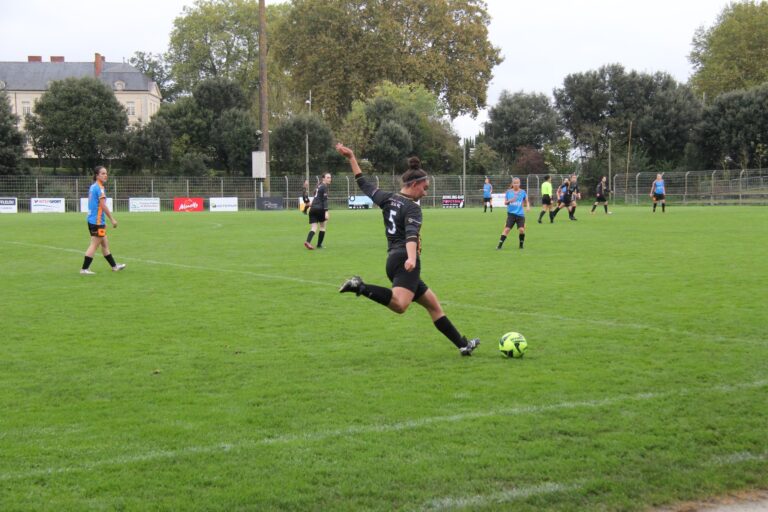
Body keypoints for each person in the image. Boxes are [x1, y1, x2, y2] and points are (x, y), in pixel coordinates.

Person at [335, 143, 480, 356]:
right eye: (425, 187)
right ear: (414, 184)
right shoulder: (412, 207)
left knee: (433, 305)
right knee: (400, 305)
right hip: (405, 261)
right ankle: (360, 286)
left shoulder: (387, 198)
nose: (426, 191)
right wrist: (412, 258)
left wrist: (352, 157)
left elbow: (363, 183)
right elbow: (411, 235)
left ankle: (462, 345)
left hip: (393, 260)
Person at [80, 166, 126, 275]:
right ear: (97, 175)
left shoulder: (93, 186)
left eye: (106, 173)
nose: (105, 175)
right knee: (94, 245)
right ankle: (84, 269)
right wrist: (112, 219)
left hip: (93, 220)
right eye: (103, 173)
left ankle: (114, 266)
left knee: (105, 244)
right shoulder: (99, 188)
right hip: (97, 222)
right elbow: (103, 205)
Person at [496, 177, 530, 249]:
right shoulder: (509, 192)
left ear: (519, 183)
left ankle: (521, 245)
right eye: (514, 183)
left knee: (521, 230)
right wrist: (510, 200)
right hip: (511, 214)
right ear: (512, 184)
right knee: (507, 229)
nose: (516, 184)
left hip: (520, 215)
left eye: (517, 183)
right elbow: (505, 202)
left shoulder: (523, 192)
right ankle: (499, 246)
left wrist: (528, 206)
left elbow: (527, 200)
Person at [304, 172, 332, 249]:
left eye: (330, 177)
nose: (330, 179)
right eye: (328, 177)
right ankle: (319, 245)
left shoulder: (318, 186)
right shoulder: (324, 187)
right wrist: (326, 211)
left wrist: (310, 206)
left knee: (313, 228)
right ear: (323, 178)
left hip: (313, 209)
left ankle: (308, 242)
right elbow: (324, 200)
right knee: (322, 227)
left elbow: (315, 198)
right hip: (320, 209)